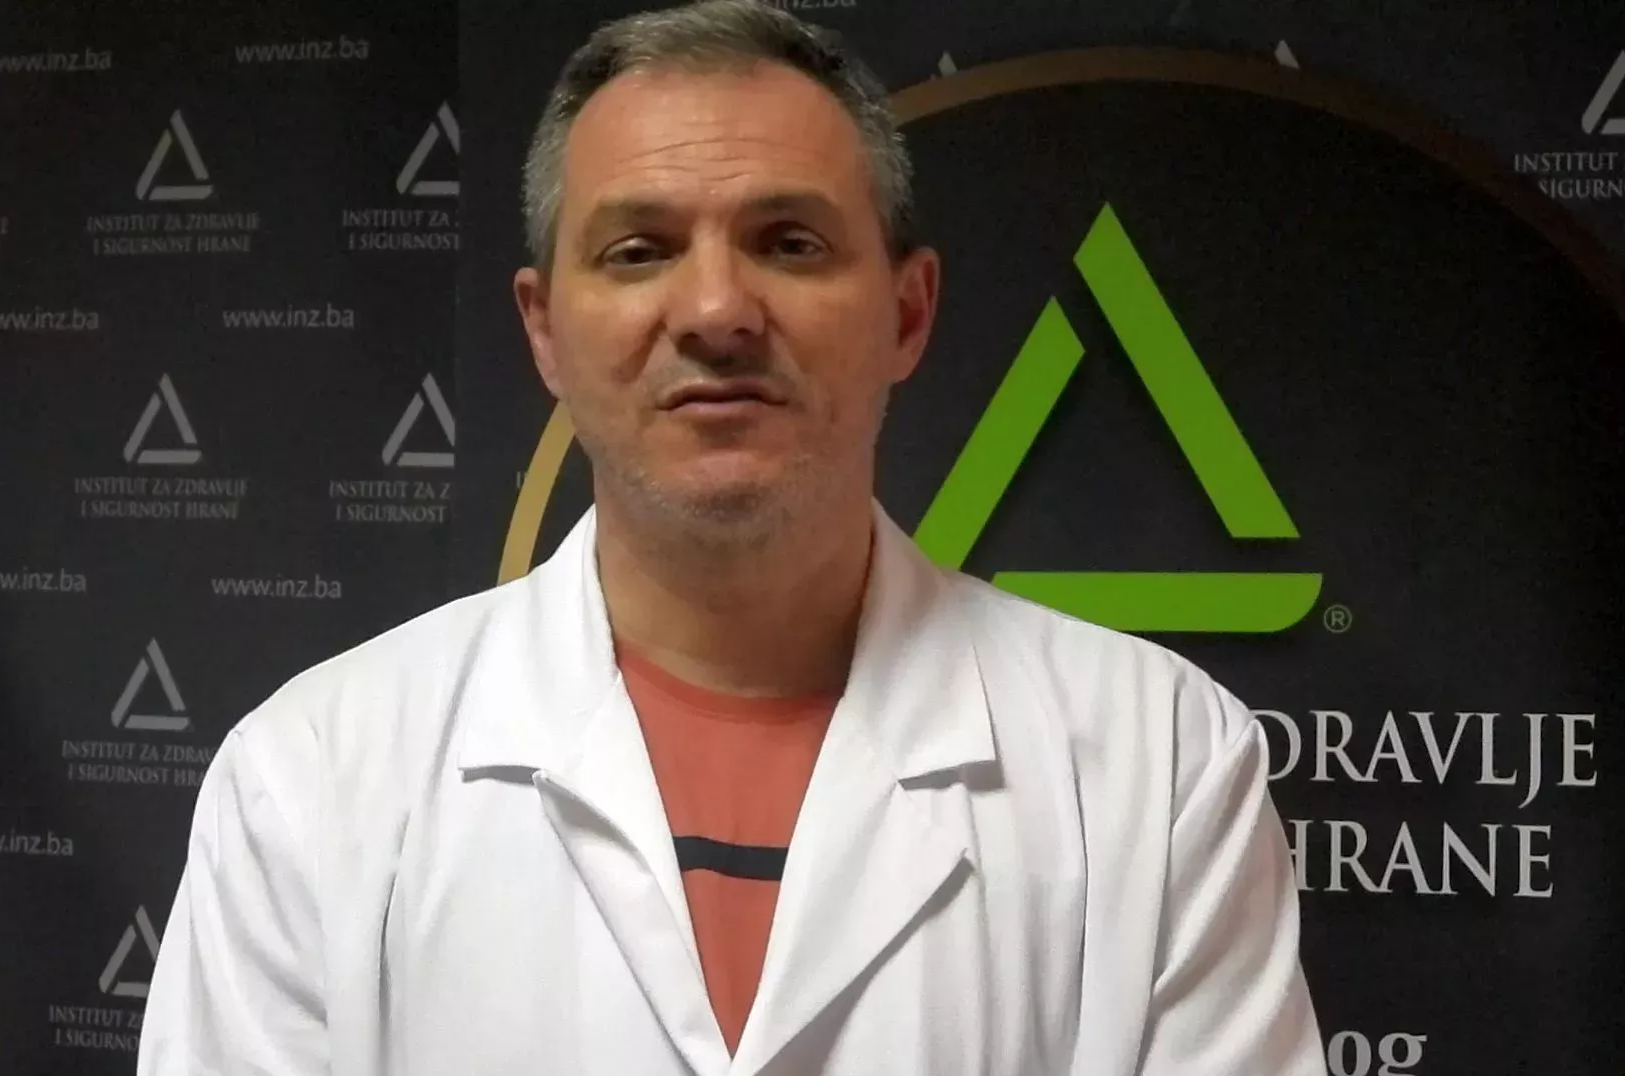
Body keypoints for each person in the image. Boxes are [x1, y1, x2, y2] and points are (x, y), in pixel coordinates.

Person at [137, 1, 1326, 1072]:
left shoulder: (1159, 764)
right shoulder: (311, 780)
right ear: (545, 331)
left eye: (789, 242)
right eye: (639, 249)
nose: (715, 312)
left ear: (907, 311)